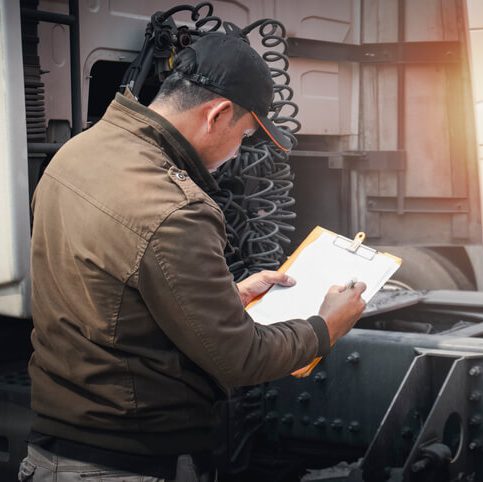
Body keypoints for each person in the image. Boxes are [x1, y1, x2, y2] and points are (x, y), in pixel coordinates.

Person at [19, 31, 366, 482]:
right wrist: (326, 327)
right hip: (125, 463)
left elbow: (109, 290)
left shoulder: (75, 155)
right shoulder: (176, 207)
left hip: (54, 452)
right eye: (243, 135)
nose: (239, 151)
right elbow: (239, 359)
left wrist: (228, 295)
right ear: (217, 114)